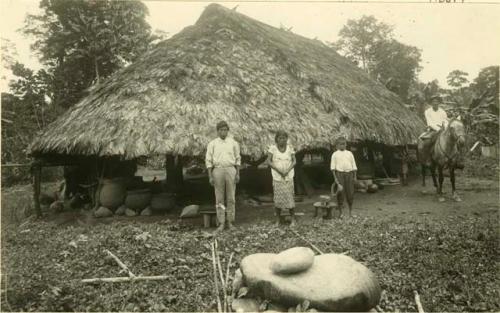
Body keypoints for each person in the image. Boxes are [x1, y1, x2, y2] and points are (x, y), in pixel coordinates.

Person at [205, 121, 241, 233]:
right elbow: (208, 161)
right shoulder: (212, 144)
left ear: (228, 131)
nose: (223, 132)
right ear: (217, 131)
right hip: (218, 170)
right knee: (219, 198)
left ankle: (230, 222)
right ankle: (221, 222)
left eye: (225, 130)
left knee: (231, 197)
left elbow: (238, 159)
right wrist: (210, 176)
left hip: (231, 169)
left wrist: (238, 173)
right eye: (221, 130)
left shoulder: (233, 143)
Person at [266, 131, 297, 227]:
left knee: (290, 197)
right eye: (280, 138)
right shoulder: (273, 148)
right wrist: (279, 170)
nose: (282, 140)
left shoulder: (290, 148)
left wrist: (287, 170)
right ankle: (278, 220)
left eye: (284, 138)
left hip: (288, 176)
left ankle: (292, 219)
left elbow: (294, 161)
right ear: (276, 139)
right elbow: (268, 161)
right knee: (278, 199)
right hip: (277, 177)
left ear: (286, 139)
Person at [330, 136, 357, 218]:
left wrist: (354, 176)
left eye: (344, 144)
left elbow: (354, 166)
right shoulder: (335, 154)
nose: (342, 146)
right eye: (341, 144)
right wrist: (336, 179)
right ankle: (341, 213)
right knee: (340, 193)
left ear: (346, 145)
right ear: (337, 145)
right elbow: (333, 168)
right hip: (339, 174)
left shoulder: (349, 153)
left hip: (349, 174)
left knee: (350, 193)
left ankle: (351, 212)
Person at [419, 95, 449, 164]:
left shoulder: (443, 112)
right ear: (431, 103)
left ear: (439, 103)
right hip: (432, 130)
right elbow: (429, 123)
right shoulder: (427, 112)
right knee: (426, 143)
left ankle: (453, 160)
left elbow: (446, 121)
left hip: (443, 129)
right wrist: (438, 129)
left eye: (437, 102)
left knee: (452, 140)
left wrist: (445, 128)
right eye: (433, 102)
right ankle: (427, 158)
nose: (435, 103)